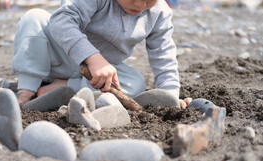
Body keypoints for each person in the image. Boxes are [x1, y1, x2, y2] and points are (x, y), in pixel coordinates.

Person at [12, 0, 191, 108]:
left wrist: (170, 97)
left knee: (136, 83)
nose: (140, 4)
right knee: (34, 18)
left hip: (97, 77)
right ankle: (27, 89)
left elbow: (164, 55)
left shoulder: (159, 13)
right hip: (59, 55)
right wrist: (92, 57)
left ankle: (66, 86)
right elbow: (61, 21)